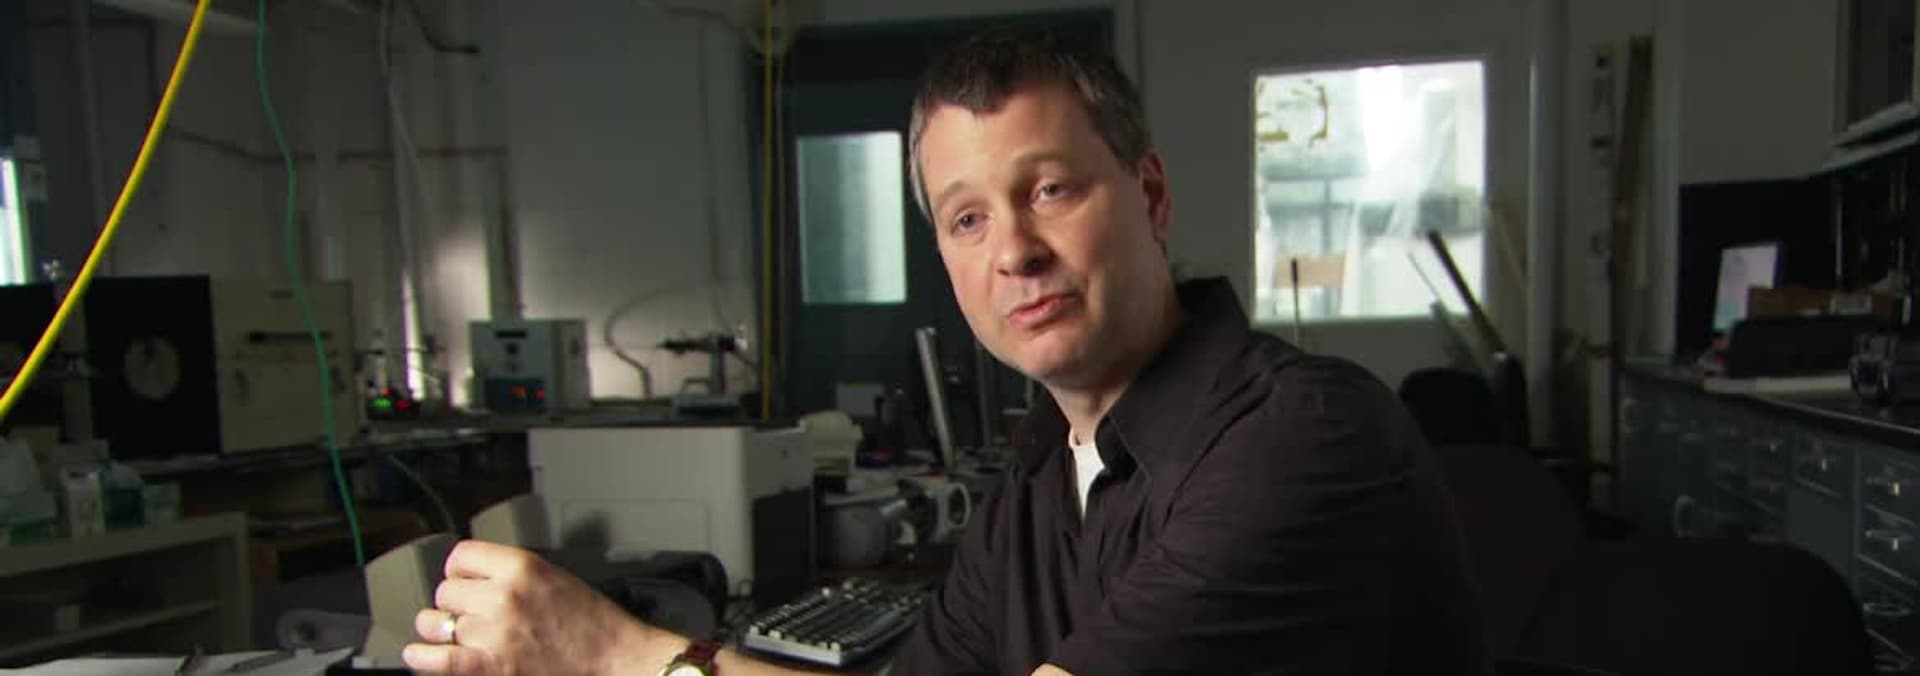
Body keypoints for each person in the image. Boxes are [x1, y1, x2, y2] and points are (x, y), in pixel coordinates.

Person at [401, 27, 1493, 676]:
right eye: (967, 218)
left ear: (1151, 195)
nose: (1013, 249)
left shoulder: (1301, 437)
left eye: (1050, 190)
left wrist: (617, 655)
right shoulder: (1038, 477)